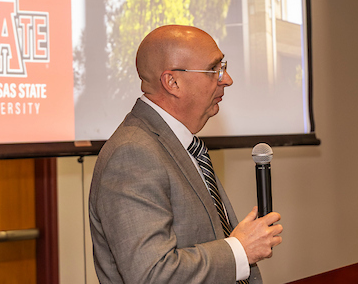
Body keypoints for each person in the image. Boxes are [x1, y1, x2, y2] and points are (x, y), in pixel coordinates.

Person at [89, 25, 283, 283]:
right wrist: (240, 250)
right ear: (172, 82)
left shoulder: (179, 144)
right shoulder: (133, 154)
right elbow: (152, 274)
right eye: (215, 69)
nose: (227, 79)